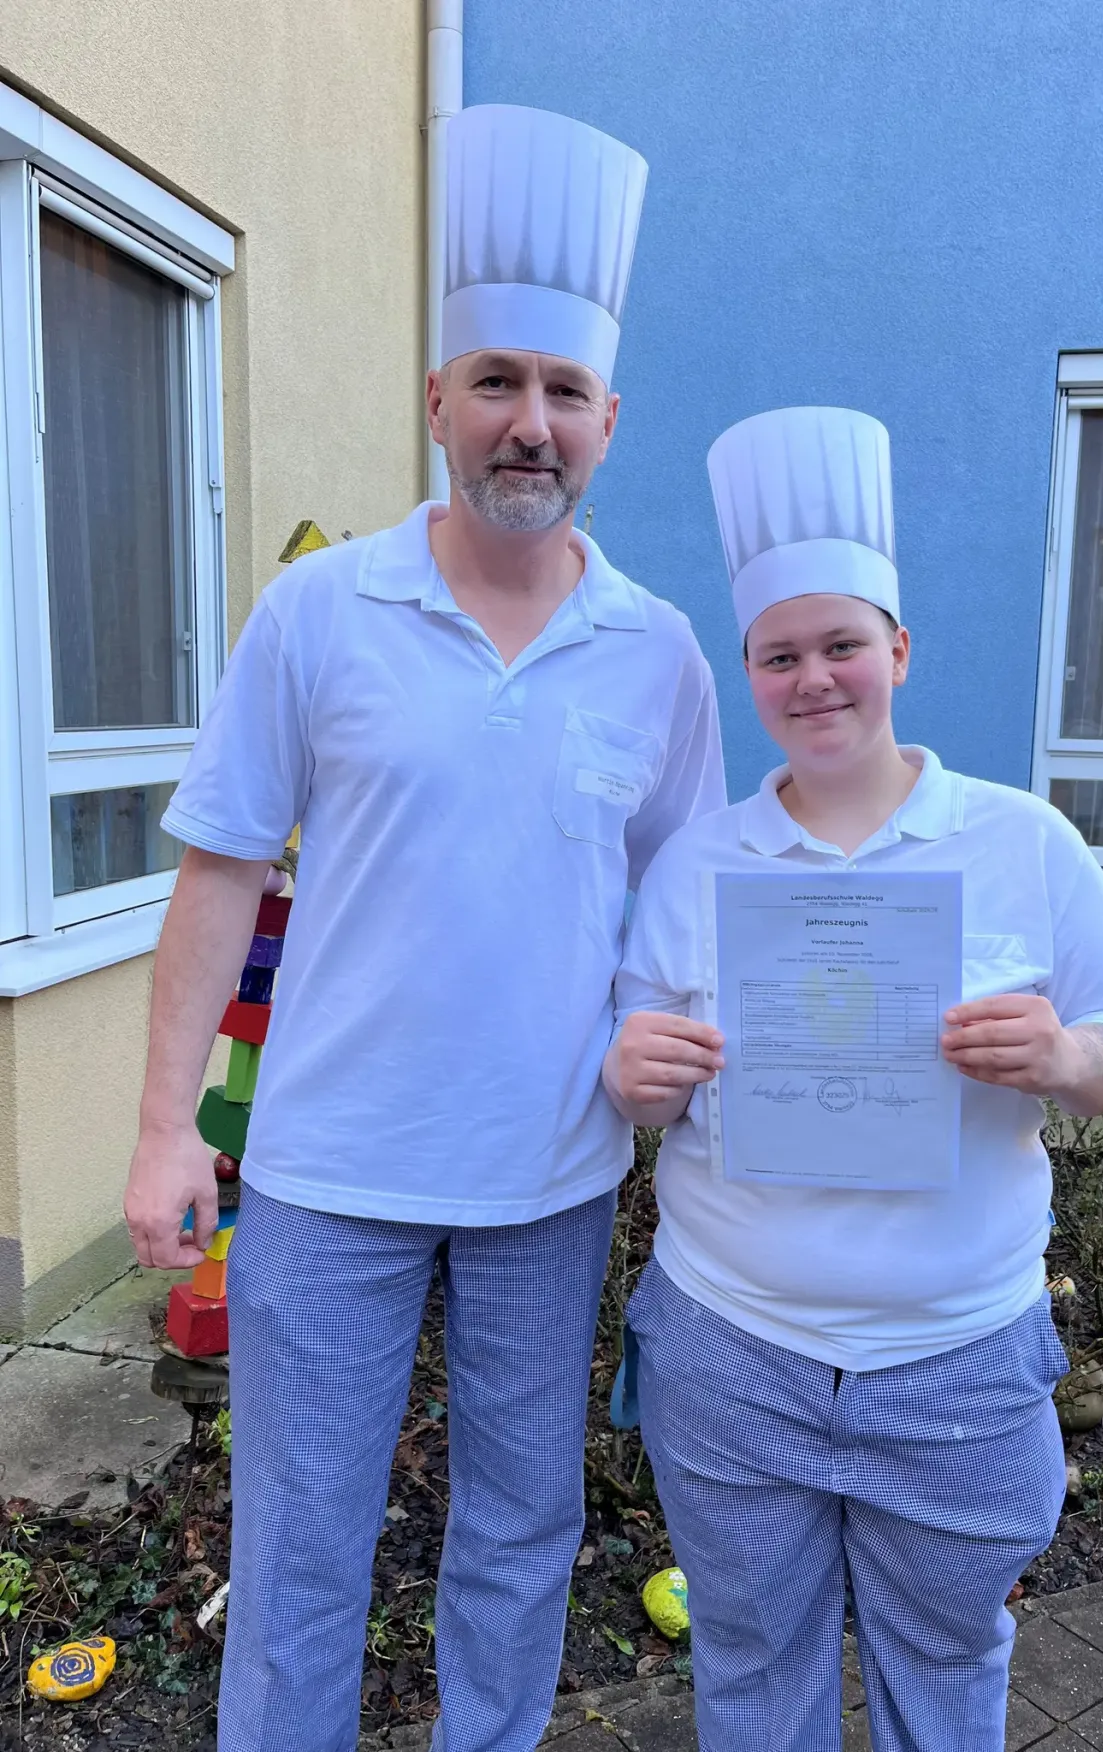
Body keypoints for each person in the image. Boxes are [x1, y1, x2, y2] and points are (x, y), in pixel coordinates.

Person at [123, 105, 724, 1752]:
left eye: (565, 394)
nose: (529, 424)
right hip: (327, 1176)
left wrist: (654, 1032)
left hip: (552, 1176)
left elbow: (682, 896)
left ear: (610, 419)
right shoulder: (320, 612)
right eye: (498, 384)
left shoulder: (657, 653)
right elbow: (221, 870)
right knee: (302, 1549)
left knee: (523, 1538)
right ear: (440, 400)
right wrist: (170, 1128)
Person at [605, 406, 1103, 1752]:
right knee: (748, 1662)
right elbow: (635, 1075)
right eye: (778, 655)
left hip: (957, 1363)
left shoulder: (1018, 842)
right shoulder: (695, 865)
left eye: (841, 644)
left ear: (896, 651)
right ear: (750, 674)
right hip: (730, 1356)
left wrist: (1065, 1054)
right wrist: (634, 1077)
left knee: (948, 1658)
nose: (815, 679)